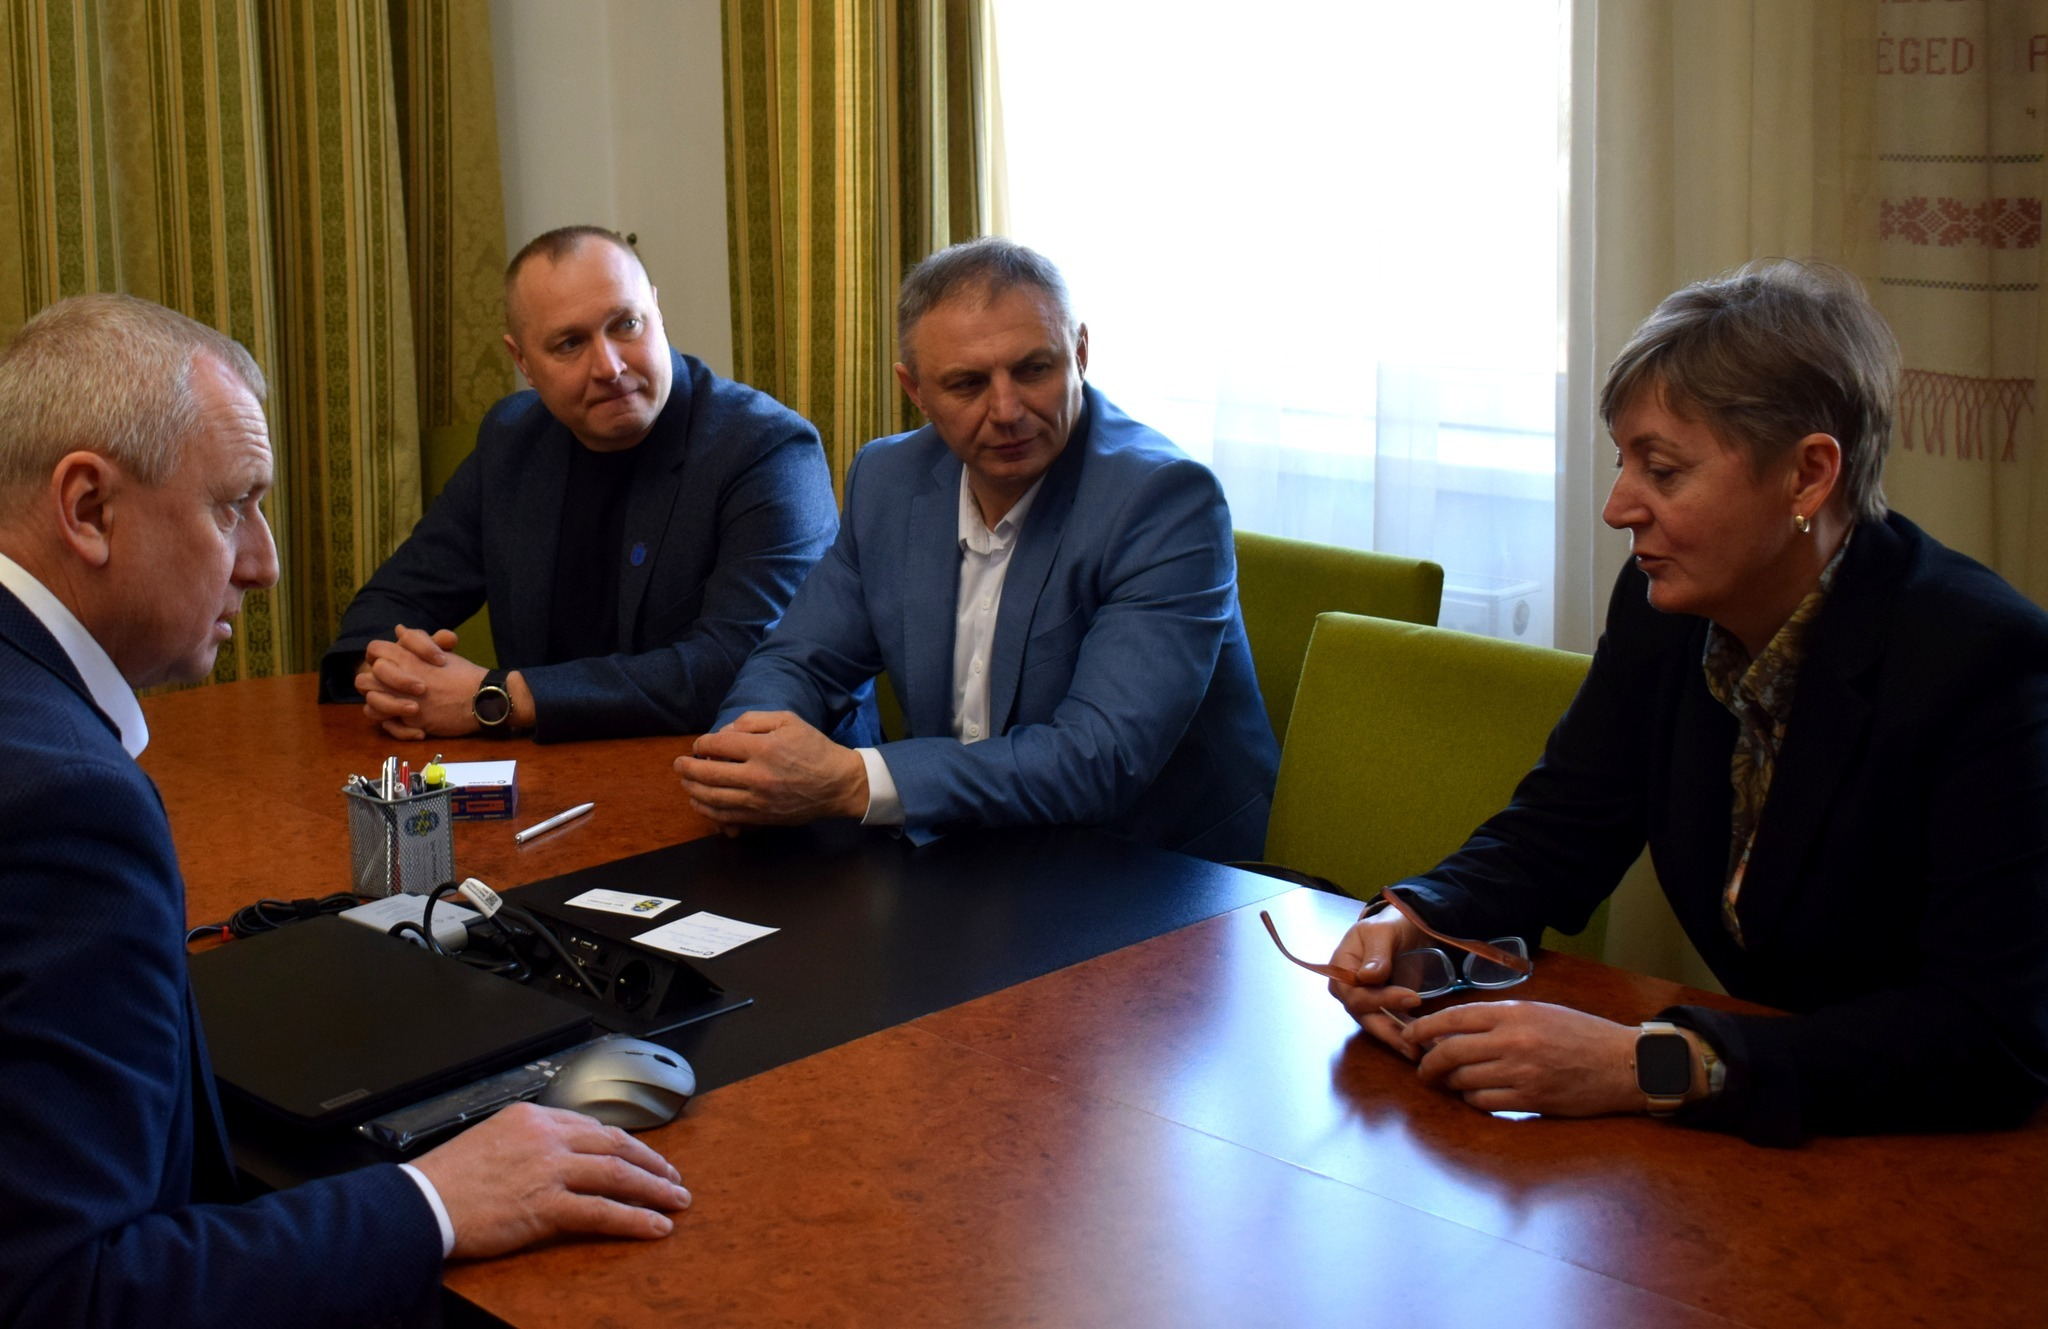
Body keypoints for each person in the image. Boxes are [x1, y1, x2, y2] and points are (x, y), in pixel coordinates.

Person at [0, 294, 692, 1327]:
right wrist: (434, 1199)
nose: (264, 562)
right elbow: (71, 1296)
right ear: (88, 507)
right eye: (233, 506)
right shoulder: (69, 807)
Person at [1322, 259, 2048, 1145]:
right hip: (1770, 1139)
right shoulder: (1663, 606)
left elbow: (1988, 1041)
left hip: (1939, 1156)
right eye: (1623, 462)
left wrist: (1652, 1064)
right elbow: (1559, 828)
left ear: (1809, 475)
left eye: (1661, 470)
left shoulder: (1983, 662)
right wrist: (1416, 915)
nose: (1617, 507)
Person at [676, 238, 1278, 861]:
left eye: (1033, 370)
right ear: (915, 389)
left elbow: (1099, 759)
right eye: (967, 384)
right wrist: (744, 762)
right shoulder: (888, 479)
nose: (1007, 410)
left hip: (1152, 870)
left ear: (1079, 353)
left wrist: (856, 781)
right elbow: (802, 662)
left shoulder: (1164, 501)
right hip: (964, 851)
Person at [320, 225, 856, 744]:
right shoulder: (512, 441)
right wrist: (394, 678)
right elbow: (389, 605)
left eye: (626, 325)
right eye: (570, 343)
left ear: (657, 311)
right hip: (558, 779)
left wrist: (500, 696)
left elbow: (740, 665)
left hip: (749, 782)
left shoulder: (766, 448)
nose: (609, 366)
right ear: (522, 362)